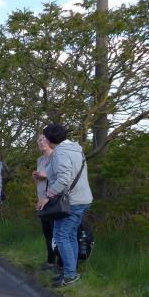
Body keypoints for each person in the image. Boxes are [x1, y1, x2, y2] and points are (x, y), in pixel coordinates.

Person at [38, 123, 92, 287]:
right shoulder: (76, 149)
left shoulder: (60, 152)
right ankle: (71, 272)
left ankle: (70, 275)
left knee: (61, 236)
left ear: (49, 139)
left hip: (72, 202)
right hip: (83, 199)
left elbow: (64, 179)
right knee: (70, 236)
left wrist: (47, 196)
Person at [32, 135, 56, 268]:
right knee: (47, 232)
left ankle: (61, 264)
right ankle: (50, 261)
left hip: (53, 200)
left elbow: (61, 176)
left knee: (56, 233)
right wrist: (36, 177)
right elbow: (40, 181)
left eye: (43, 140)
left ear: (50, 141)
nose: (40, 142)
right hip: (42, 199)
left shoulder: (56, 157)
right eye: (38, 140)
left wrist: (45, 175)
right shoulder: (40, 160)